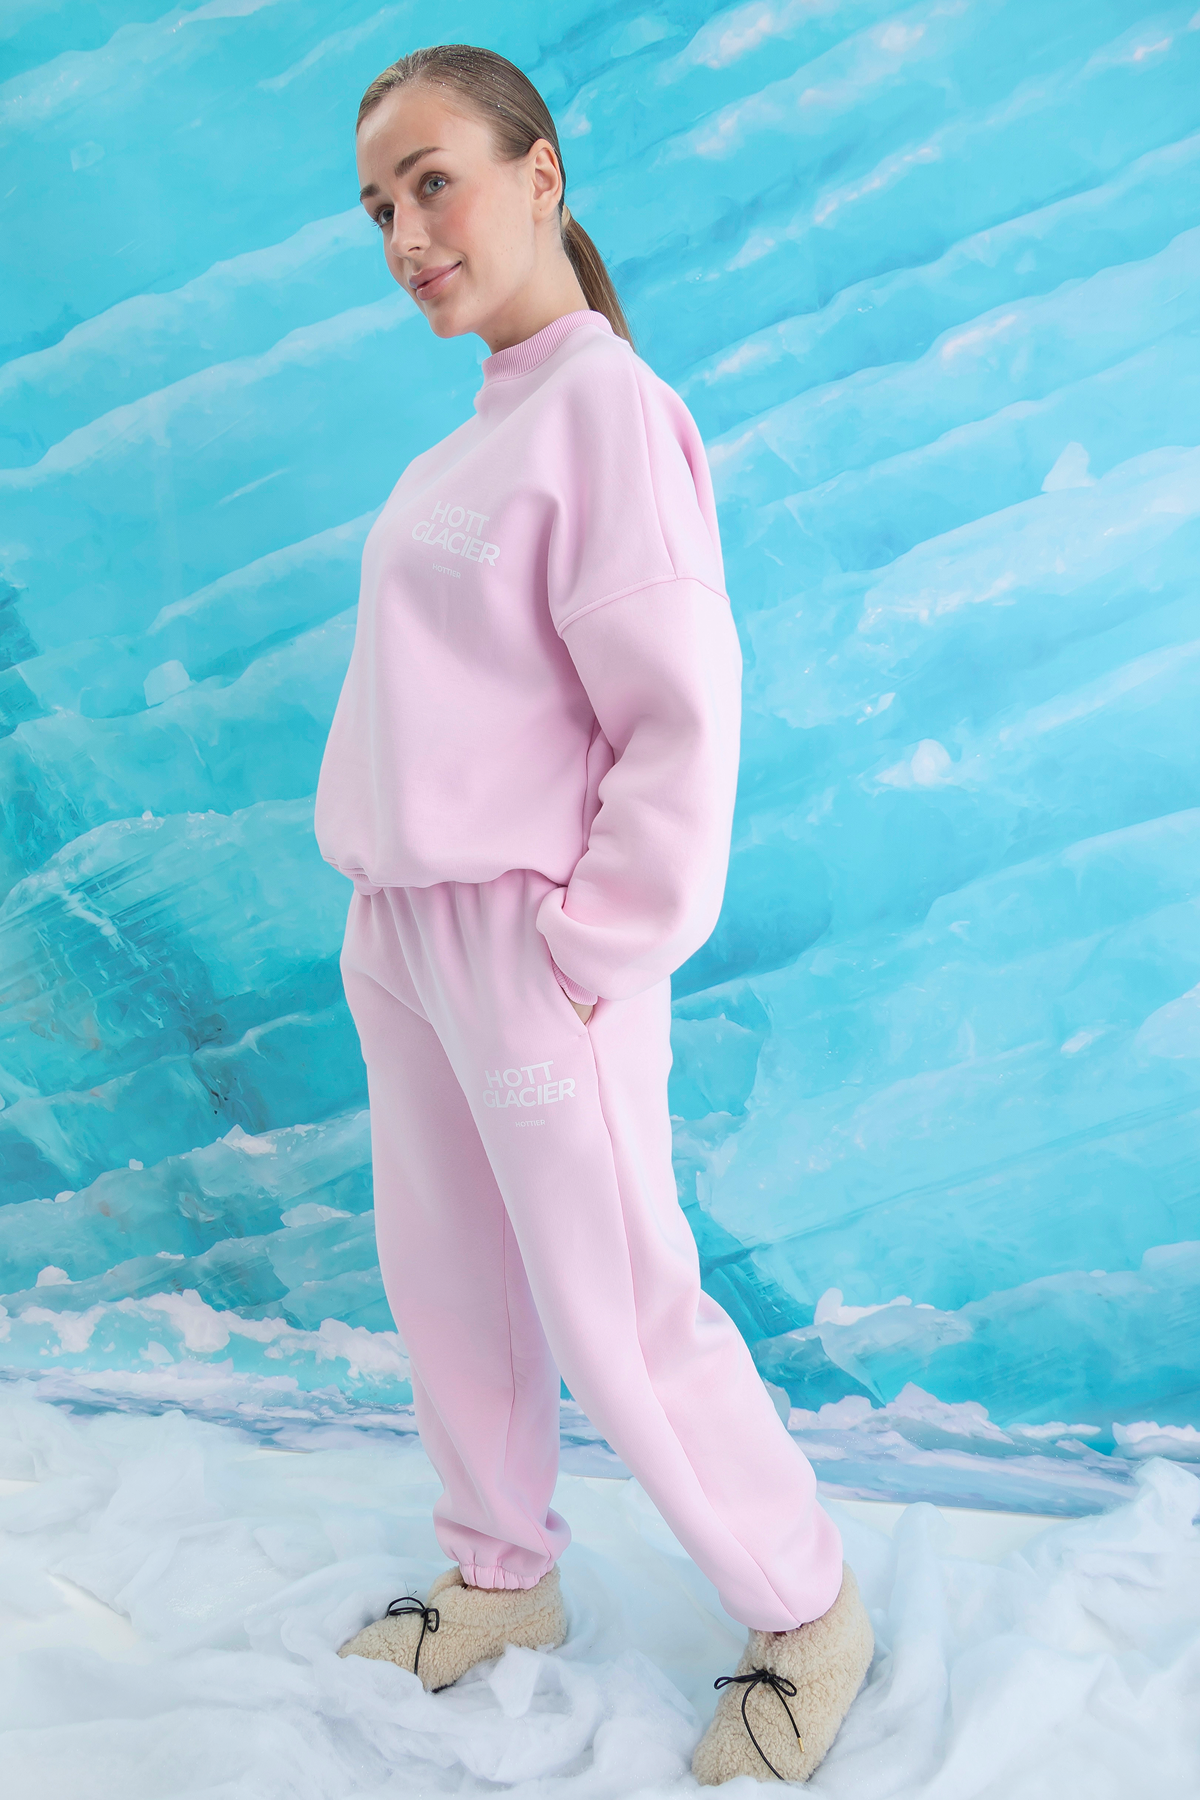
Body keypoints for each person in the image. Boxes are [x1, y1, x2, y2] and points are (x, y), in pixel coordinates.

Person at [313, 42, 873, 1787]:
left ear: (540, 175)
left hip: (533, 944)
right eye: (378, 208)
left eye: (433, 183)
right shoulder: (476, 436)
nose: (408, 235)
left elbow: (679, 718)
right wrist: (387, 912)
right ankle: (504, 1575)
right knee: (449, 1282)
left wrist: (590, 953)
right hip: (409, 937)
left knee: (619, 1305)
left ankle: (807, 1610)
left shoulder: (609, 410)